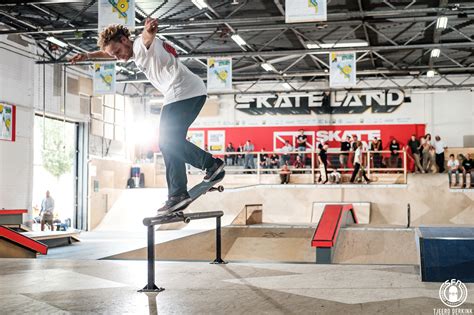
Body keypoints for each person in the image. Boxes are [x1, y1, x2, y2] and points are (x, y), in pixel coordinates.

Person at [71, 19, 225, 213]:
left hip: (181, 92)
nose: (118, 58)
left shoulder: (140, 45)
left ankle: (196, 178)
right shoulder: (130, 49)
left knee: (167, 141)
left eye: (118, 52)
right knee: (171, 142)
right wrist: (87, 55)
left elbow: (146, 38)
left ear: (125, 40)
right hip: (191, 92)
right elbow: (107, 53)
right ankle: (197, 177)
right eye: (114, 55)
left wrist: (148, 30)